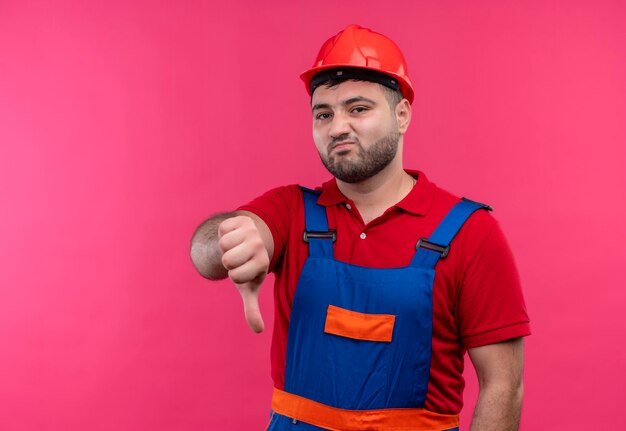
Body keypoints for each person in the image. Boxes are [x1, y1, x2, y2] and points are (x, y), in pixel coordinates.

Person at [191, 24, 530, 431]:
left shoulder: (470, 233)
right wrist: (232, 239)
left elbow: (503, 386)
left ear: (402, 115)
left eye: (358, 108)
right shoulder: (291, 211)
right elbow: (205, 254)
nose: (337, 127)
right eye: (324, 113)